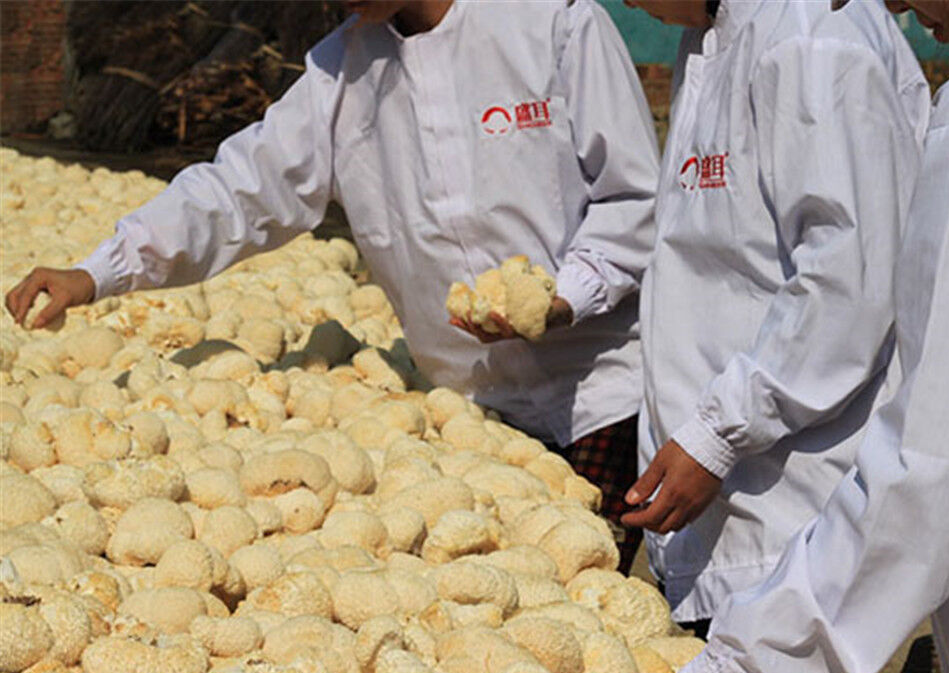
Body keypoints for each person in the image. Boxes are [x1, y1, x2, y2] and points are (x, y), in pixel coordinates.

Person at [4, 0, 660, 572]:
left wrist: (565, 297)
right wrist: (101, 270)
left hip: (600, 394)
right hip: (472, 416)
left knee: (592, 593)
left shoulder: (552, 23)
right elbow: (238, 192)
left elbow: (635, 198)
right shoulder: (340, 71)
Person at [610, 1, 949, 673]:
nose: (893, 6)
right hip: (783, 543)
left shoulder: (822, 44)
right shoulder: (712, 44)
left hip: (801, 520)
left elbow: (854, 287)